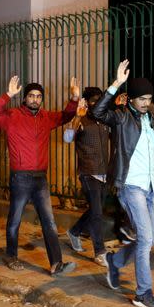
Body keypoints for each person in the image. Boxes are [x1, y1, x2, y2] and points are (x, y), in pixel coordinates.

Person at [91, 60, 154, 307]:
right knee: (145, 239)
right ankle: (143, 293)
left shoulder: (153, 114)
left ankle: (114, 261)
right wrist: (115, 84)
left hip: (151, 186)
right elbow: (97, 113)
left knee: (150, 238)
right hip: (130, 185)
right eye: (141, 99)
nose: (146, 103)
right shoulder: (121, 118)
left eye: (149, 98)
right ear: (131, 98)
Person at [0, 75, 79, 275]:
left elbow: (66, 116)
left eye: (38, 96)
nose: (35, 99)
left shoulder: (46, 117)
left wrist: (74, 99)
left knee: (49, 222)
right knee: (15, 220)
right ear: (25, 98)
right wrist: (8, 94)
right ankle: (11, 256)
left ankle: (56, 264)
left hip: (41, 179)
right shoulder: (12, 116)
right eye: (31, 96)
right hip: (20, 177)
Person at [63, 87, 111, 266]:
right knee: (97, 213)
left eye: (99, 100)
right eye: (93, 100)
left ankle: (74, 232)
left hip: (104, 173)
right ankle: (100, 251)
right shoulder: (82, 119)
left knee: (94, 210)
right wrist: (77, 116)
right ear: (87, 102)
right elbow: (67, 138)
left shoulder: (105, 119)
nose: (96, 103)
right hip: (88, 172)